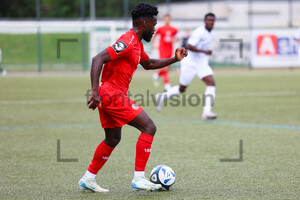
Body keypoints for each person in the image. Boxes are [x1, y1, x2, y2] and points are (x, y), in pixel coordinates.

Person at [78, 3, 187, 193]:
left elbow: (149, 63)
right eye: (153, 25)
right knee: (149, 127)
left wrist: (175, 59)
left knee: (112, 139)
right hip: (111, 94)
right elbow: (98, 59)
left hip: (109, 94)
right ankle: (139, 178)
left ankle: (88, 178)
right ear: (144, 23)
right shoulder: (128, 41)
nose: (154, 29)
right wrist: (94, 91)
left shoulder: (136, 44)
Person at [155, 13, 217, 120]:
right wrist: (205, 51)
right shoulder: (199, 32)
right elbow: (189, 46)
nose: (210, 22)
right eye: (209, 20)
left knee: (211, 82)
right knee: (182, 89)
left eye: (212, 20)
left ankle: (206, 112)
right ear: (204, 21)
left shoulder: (212, 34)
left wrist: (205, 56)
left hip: (201, 62)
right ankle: (161, 97)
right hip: (190, 62)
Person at [151, 14, 178, 91]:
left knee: (168, 66)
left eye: (168, 19)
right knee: (164, 66)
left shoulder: (174, 29)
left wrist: (174, 40)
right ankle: (167, 84)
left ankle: (157, 75)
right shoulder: (160, 28)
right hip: (162, 49)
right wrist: (153, 44)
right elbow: (154, 36)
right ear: (164, 20)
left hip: (170, 49)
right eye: (165, 19)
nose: (167, 20)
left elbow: (177, 38)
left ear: (170, 20)